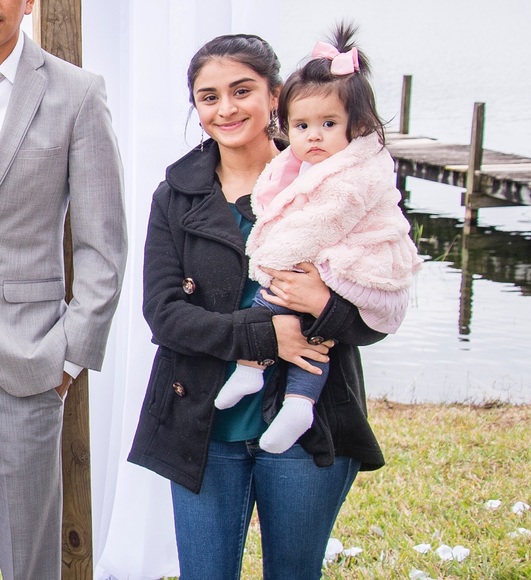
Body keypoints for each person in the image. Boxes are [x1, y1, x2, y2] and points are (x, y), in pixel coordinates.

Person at [128, 29, 386, 580]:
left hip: (309, 419)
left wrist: (324, 303)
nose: (226, 108)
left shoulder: (336, 181)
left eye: (242, 90)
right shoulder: (175, 195)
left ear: (275, 96)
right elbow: (164, 314)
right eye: (209, 97)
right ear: (196, 107)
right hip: (203, 422)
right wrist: (265, 335)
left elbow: (381, 306)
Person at [214, 24, 422, 455]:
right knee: (284, 311)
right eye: (302, 125)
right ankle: (273, 383)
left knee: (290, 313)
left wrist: (279, 265)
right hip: (319, 270)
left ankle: (284, 391)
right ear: (287, 122)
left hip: (354, 266)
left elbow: (319, 225)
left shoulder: (352, 173)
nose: (314, 135)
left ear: (355, 126)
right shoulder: (302, 166)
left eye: (329, 124)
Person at [0, 1, 127, 579]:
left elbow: (104, 247)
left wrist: (67, 359)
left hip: (25, 364)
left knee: (26, 558)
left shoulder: (77, 92)